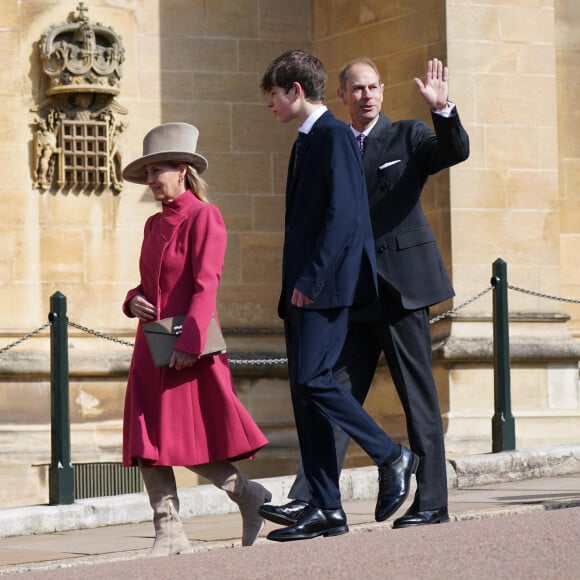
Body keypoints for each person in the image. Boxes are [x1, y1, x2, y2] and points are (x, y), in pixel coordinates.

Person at [259, 57, 470, 530]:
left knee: (417, 400)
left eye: (374, 87)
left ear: (383, 91)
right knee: (330, 392)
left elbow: (453, 152)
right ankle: (316, 499)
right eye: (357, 89)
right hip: (351, 291)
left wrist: (444, 110)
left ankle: (432, 501)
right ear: (342, 96)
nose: (367, 96)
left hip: (399, 289)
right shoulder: (332, 138)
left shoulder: (408, 136)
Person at [121, 122, 271, 556]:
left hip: (188, 347)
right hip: (151, 346)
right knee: (148, 439)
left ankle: (247, 495)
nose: (150, 180)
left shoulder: (206, 216)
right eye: (147, 173)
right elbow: (146, 285)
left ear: (182, 171)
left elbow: (207, 285)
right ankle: (168, 529)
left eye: (158, 171)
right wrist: (132, 301)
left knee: (184, 440)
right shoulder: (152, 226)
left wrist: (189, 343)